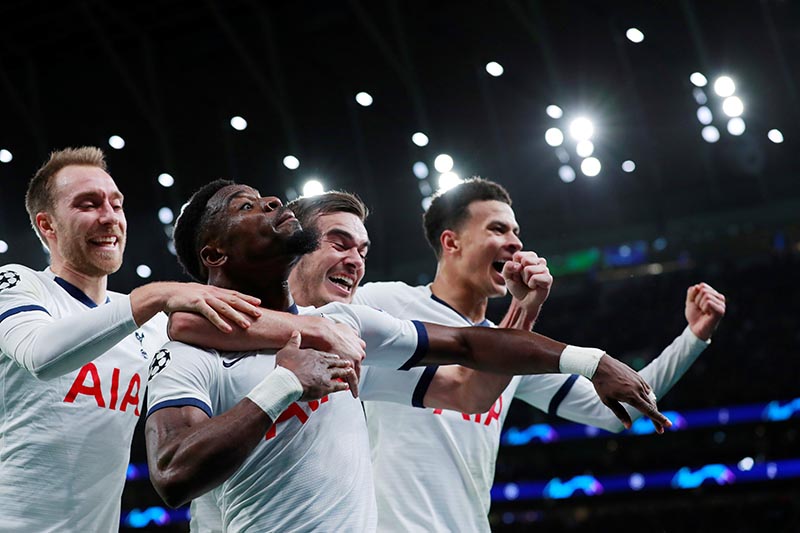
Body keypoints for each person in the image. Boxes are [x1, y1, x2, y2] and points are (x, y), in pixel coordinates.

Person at [147, 180, 666, 532]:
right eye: (247, 207)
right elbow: (172, 472)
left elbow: (470, 368)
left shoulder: (345, 326)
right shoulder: (193, 346)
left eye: (364, 251)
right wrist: (285, 380)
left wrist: (588, 358)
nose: (355, 262)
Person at [352, 178, 727, 532]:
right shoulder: (385, 302)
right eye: (498, 229)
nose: (515, 242)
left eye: (516, 232)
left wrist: (692, 338)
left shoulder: (516, 349)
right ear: (452, 243)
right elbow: (310, 317)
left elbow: (616, 411)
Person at [0, 147, 265, 533]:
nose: (109, 218)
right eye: (88, 205)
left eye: (116, 204)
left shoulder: (150, 326)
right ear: (47, 225)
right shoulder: (19, 285)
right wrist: (154, 296)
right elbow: (41, 355)